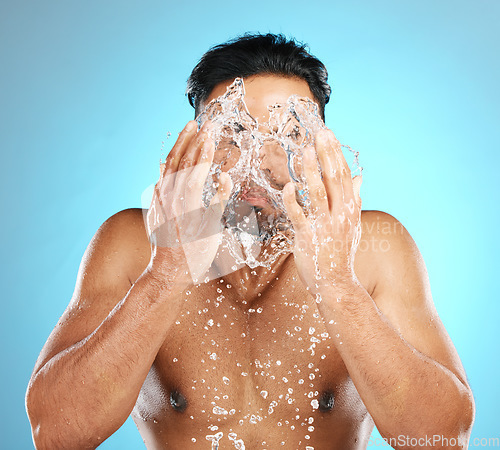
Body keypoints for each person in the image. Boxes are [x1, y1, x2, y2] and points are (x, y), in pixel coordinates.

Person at [26, 33, 474, 449]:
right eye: (233, 133)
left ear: (319, 148)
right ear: (195, 143)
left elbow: (445, 438)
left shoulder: (371, 248)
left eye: (289, 134)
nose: (260, 161)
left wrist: (337, 284)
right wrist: (166, 276)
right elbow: (54, 431)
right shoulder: (136, 245)